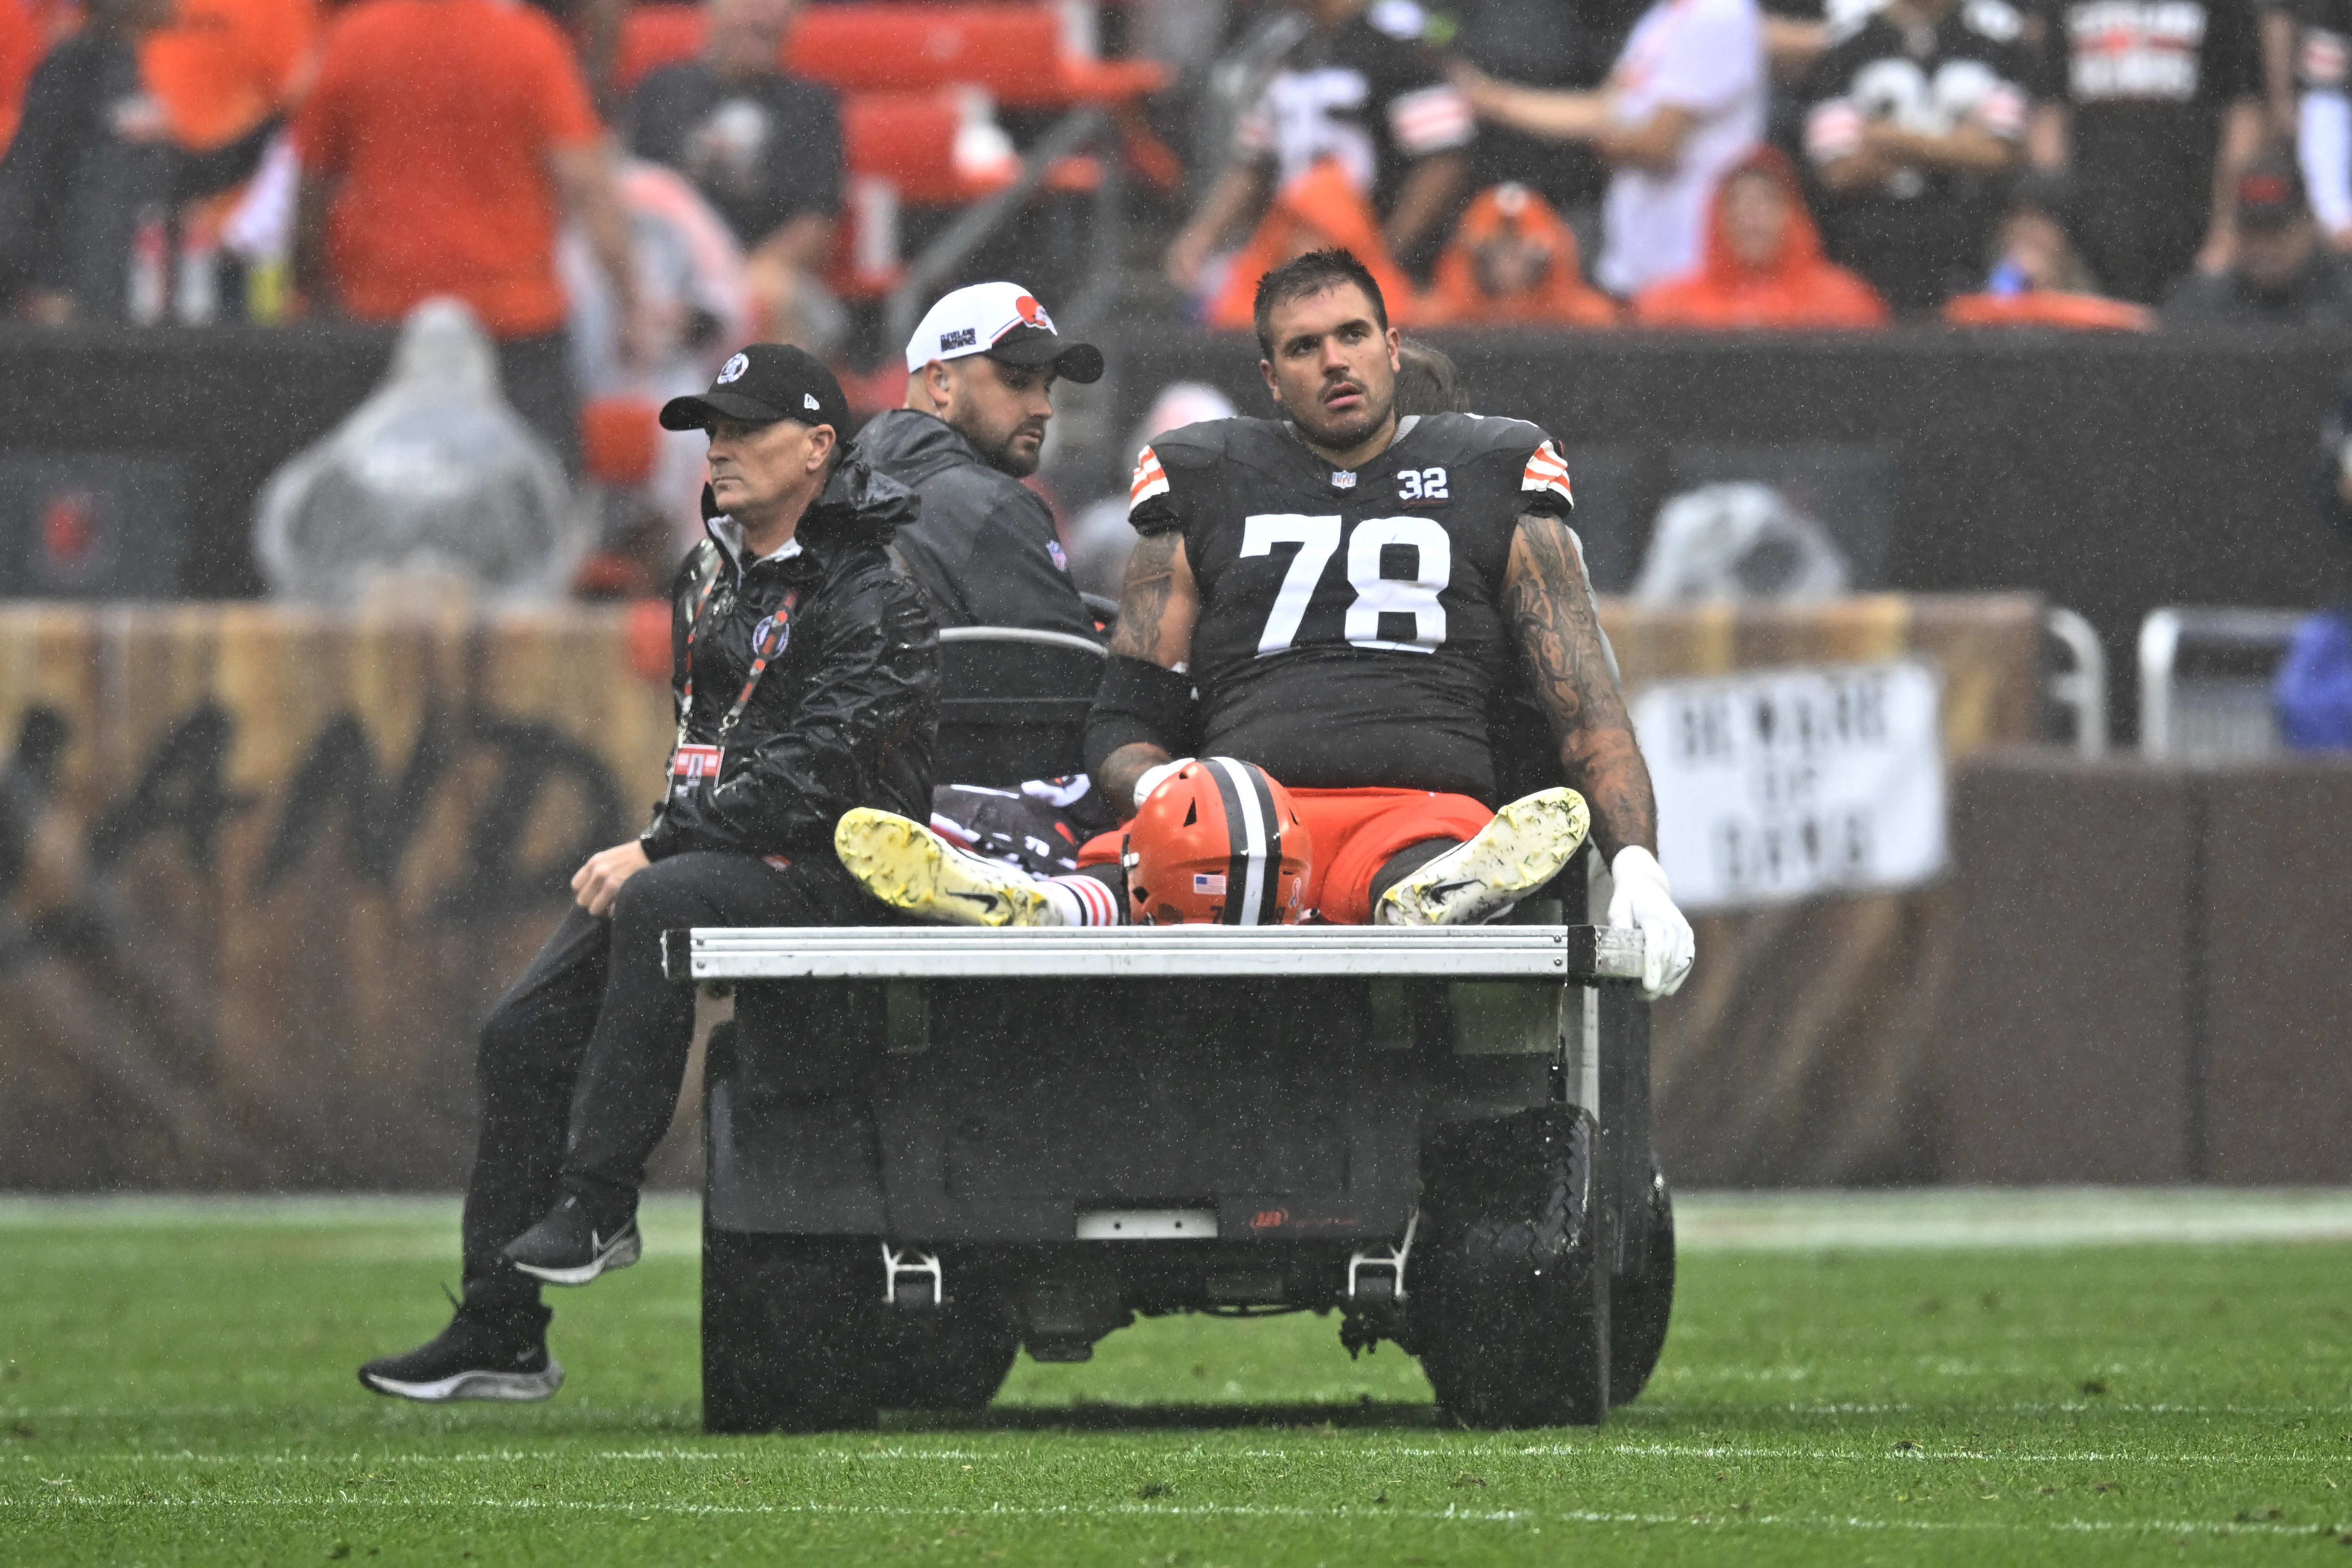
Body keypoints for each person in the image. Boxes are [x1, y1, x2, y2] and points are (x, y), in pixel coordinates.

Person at [835, 249, 1697, 1000]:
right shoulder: (1203, 471)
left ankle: (1441, 893)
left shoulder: (1491, 463)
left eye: (1353, 335)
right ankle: (1033, 901)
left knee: (1424, 869)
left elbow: (1586, 705)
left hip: (1419, 806)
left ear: (1392, 347)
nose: (1334, 361)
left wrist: (1639, 863)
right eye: (1303, 347)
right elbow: (1125, 714)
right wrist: (1162, 791)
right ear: (1269, 376)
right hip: (1238, 818)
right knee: (1155, 862)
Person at [357, 345, 938, 1403]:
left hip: (843, 868)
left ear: (817, 449)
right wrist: (670, 835)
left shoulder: (874, 590)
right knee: (518, 1034)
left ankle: (601, 1200)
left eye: (746, 427)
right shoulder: (709, 572)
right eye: (709, 425)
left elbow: (825, 773)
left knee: (659, 893)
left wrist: (662, 846)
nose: (717, 446)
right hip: (716, 850)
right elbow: (708, 746)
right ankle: (499, 1327)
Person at [291, 0, 642, 466]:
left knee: (381, 500)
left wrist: (311, 284)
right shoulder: (529, 43)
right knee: (541, 506)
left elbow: (311, 186)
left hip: (383, 318)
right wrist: (630, 301)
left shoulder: (353, 40)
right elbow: (587, 185)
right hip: (512, 324)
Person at [1449, 0, 1767, 299]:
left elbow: (1656, 145)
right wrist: (1492, 100)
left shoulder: (1719, 14)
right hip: (1639, 261)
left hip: (1692, 260)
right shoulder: (1662, 17)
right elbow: (1603, 112)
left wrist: (1609, 141)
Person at [848, 281, 1105, 639]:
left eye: (1045, 386)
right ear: (940, 382)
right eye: (1017, 382)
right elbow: (1071, 677)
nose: (1044, 409)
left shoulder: (842, 481)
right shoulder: (994, 506)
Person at [1164, 0, 1474, 296]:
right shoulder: (1289, 43)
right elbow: (1255, 161)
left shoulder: (1397, 37)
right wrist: (1202, 236)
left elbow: (1443, 160)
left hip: (1383, 267)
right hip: (1296, 256)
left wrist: (1387, 251)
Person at [0, 0, 279, 321]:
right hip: (89, 303)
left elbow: (213, 169)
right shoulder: (76, 67)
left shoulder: (199, 64)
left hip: (186, 300)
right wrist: (42, 286)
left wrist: (267, 118)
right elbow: (26, 187)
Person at [626, 0, 844, 351]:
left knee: (773, 295)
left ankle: (783, 404)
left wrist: (741, 280)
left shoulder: (812, 105)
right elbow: (634, 193)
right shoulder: (662, 91)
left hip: (766, 272)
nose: (764, 13)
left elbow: (817, 221)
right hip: (672, 268)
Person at [1799, 0, 2033, 313]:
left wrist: (1889, 138)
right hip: (1871, 246)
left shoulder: (1998, 35)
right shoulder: (1848, 40)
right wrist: (1957, 142)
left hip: (1975, 243)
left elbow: (2000, 153)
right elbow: (1838, 169)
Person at [2025, 0, 2263, 304]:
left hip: (2189, 211)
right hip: (2092, 216)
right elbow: (2049, 113)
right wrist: (2056, 226)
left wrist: (2225, 233)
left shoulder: (2221, 7)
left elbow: (2243, 116)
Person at [1631, 145, 1890, 326]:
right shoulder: (1668, 309)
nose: (1751, 217)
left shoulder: (1844, 302)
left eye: (1766, 202)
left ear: (1793, 214)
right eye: (1737, 203)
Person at [1941, 170, 2155, 328]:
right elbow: (1982, 316)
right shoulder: (1974, 279)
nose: (2028, 232)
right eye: (2019, 221)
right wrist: (2014, 280)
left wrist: (2047, 288)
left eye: (2040, 223)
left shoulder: (2097, 284)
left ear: (2063, 236)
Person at [2164, 147, 2352, 324]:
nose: (2263, 247)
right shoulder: (2202, 307)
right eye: (2251, 231)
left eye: (2275, 231)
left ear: (2308, 225)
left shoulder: (2344, 298)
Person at [1422, 181, 1623, 326]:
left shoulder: (1589, 320)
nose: (1509, 265)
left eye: (1523, 249)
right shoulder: (1432, 321)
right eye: (1497, 250)